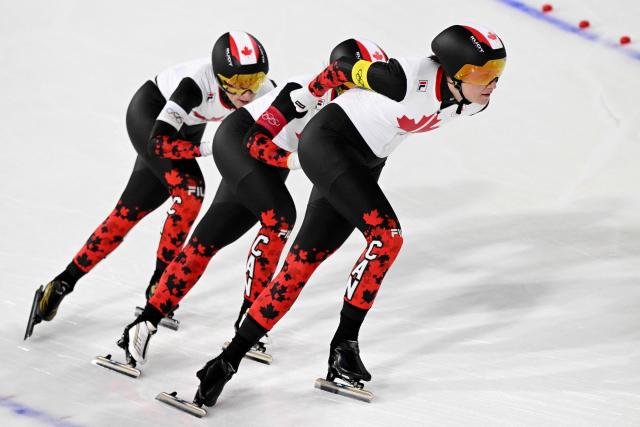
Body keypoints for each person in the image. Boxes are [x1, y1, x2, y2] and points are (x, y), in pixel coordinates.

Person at [192, 23, 507, 407]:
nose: (492, 83)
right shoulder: (402, 78)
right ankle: (345, 344)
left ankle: (226, 361)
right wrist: (303, 99)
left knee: (302, 264)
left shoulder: (475, 99)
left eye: (497, 72)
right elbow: (341, 69)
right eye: (482, 73)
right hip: (327, 144)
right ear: (454, 72)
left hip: (365, 161)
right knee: (387, 236)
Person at [117, 39, 389, 371]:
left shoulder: (368, 114)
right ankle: (208, 318)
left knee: (210, 238)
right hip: (244, 144)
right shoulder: (304, 94)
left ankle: (154, 319)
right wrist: (291, 161)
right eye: (356, 85)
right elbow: (255, 141)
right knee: (279, 219)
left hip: (271, 161)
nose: (366, 95)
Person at [24, 31, 274, 340]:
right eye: (238, 83)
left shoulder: (264, 91)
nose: (248, 93)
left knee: (127, 213)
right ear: (220, 78)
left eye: (255, 80)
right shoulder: (195, 85)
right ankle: (160, 283)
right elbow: (157, 144)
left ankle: (61, 283)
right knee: (190, 190)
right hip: (151, 117)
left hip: (189, 126)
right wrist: (206, 147)